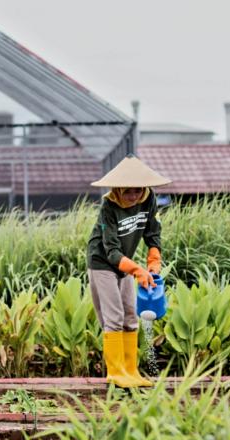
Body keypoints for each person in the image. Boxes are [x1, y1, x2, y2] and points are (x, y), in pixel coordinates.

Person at [86, 155, 171, 388]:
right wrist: (137, 271)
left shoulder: (148, 199)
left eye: (137, 190)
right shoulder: (109, 207)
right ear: (117, 190)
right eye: (127, 192)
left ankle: (131, 370)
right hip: (102, 263)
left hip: (125, 263)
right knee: (113, 317)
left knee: (131, 317)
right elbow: (111, 251)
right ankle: (116, 372)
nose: (133, 196)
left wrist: (153, 262)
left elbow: (152, 232)